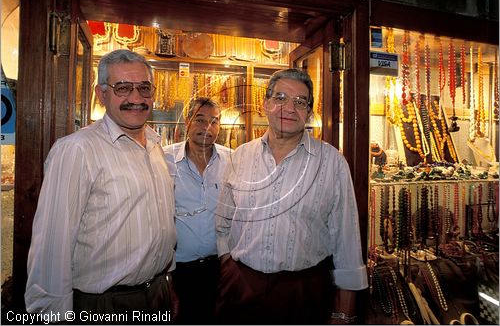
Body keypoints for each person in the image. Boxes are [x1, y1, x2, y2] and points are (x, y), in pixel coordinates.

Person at [25, 49, 178, 322]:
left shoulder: (156, 147)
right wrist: (52, 317)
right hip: (105, 305)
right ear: (101, 94)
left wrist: (166, 283)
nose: (136, 98)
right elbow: (51, 245)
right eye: (123, 88)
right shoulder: (77, 150)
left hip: (157, 294)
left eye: (144, 88)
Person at [215, 68, 368, 324]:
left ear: (308, 112)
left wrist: (343, 312)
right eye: (280, 98)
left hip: (303, 292)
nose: (289, 107)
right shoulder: (239, 156)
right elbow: (223, 223)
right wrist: (228, 265)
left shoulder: (332, 162)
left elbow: (347, 241)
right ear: (265, 104)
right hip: (241, 287)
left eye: (300, 102)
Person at [164, 97, 231, 324]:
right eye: (200, 120)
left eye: (214, 122)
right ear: (187, 122)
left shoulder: (233, 160)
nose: (207, 128)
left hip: (221, 269)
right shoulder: (163, 159)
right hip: (177, 271)